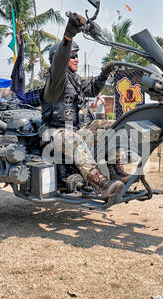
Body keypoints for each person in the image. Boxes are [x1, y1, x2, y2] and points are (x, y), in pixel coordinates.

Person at [40, 12, 129, 200]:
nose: (76, 59)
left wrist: (104, 73)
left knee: (111, 127)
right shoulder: (55, 80)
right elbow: (60, 62)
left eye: (77, 56)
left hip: (74, 129)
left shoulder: (74, 80)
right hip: (54, 132)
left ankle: (116, 171)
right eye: (72, 56)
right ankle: (102, 184)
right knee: (73, 139)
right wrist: (68, 36)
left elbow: (91, 90)